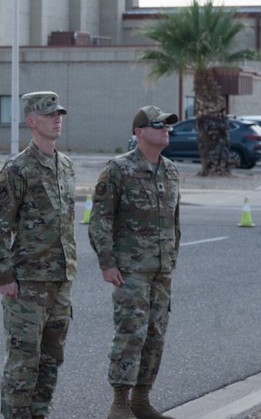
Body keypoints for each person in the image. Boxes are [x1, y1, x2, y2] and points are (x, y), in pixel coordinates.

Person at [0, 91, 77, 419]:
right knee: (23, 364)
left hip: (60, 281)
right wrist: (4, 275)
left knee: (51, 361)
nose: (57, 119)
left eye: (59, 114)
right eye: (49, 114)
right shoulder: (17, 168)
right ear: (31, 121)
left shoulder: (65, 166)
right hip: (27, 284)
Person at [89, 106, 180, 419]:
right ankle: (119, 404)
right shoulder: (118, 169)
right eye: (158, 125)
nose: (165, 129)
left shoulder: (170, 170)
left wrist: (172, 258)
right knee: (130, 335)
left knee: (155, 336)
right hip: (131, 270)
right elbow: (100, 219)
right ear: (139, 132)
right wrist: (107, 262)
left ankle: (141, 400)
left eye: (167, 125)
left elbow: (174, 220)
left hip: (161, 270)